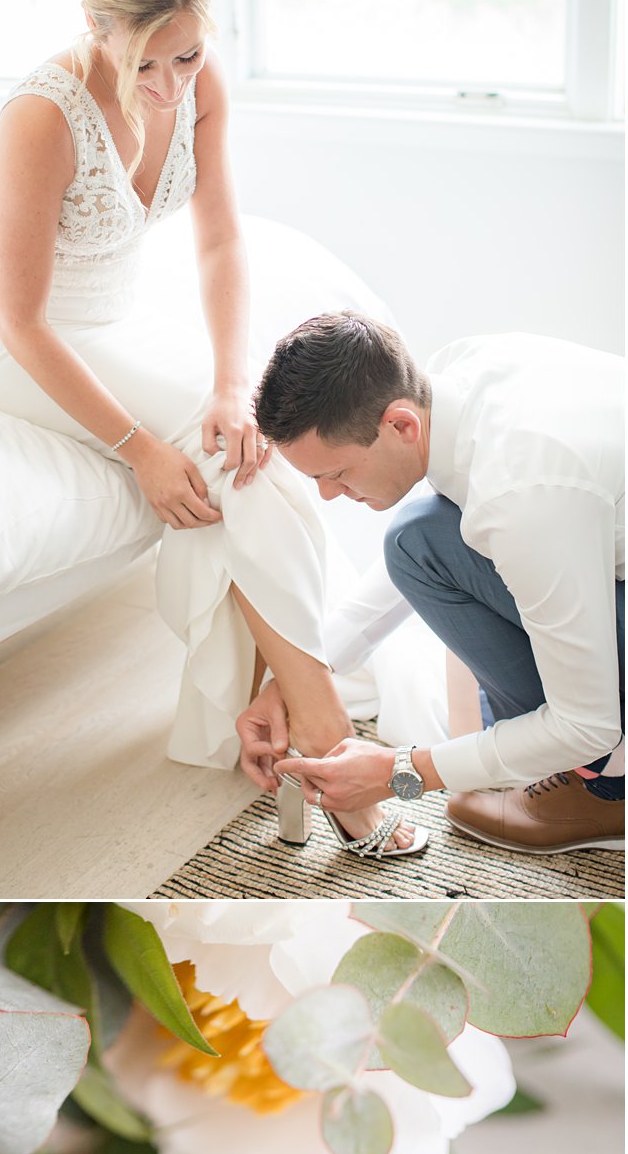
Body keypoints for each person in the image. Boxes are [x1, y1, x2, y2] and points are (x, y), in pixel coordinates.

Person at [0, 0, 424, 860]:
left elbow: (220, 242)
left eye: (190, 57)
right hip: (8, 339)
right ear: (97, 29)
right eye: (147, 63)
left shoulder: (203, 89)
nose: (169, 86)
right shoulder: (41, 118)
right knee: (209, 470)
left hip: (107, 322)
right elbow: (20, 321)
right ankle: (331, 750)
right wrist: (140, 449)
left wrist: (230, 384)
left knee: (255, 456)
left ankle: (285, 721)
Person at [238, 314, 625, 853]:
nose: (327, 495)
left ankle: (610, 787)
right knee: (415, 539)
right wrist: (301, 677)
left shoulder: (522, 493)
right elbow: (428, 549)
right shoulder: (454, 376)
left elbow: (588, 725)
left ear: (400, 426)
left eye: (337, 473)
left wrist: (400, 771)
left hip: (555, 519)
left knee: (561, 730)